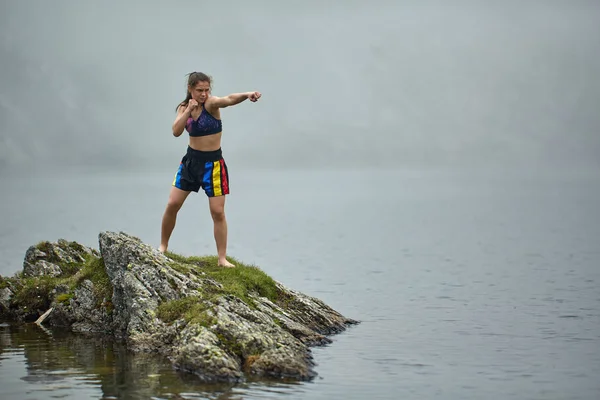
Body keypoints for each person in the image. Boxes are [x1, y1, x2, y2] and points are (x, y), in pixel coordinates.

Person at [159, 71, 261, 267]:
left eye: (206, 90)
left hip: (213, 165)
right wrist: (189, 110)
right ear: (190, 89)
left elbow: (229, 99)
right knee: (172, 204)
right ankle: (163, 246)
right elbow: (175, 131)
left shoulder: (211, 104)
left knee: (217, 212)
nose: (203, 94)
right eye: (199, 90)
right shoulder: (183, 108)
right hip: (190, 163)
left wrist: (247, 94)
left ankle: (222, 258)